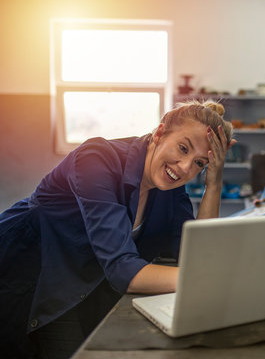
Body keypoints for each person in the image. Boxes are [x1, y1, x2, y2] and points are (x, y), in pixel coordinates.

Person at [0, 99, 235, 358]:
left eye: (200, 163)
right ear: (159, 133)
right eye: (183, 148)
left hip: (82, 279)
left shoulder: (170, 188)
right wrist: (207, 281)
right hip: (29, 272)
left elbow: (195, 258)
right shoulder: (95, 159)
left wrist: (213, 182)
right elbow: (123, 269)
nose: (184, 167)